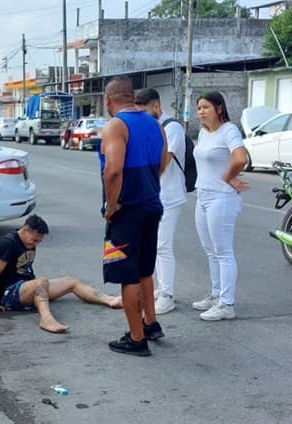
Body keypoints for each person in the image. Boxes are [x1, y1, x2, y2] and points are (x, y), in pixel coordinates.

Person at [102, 77, 169, 356]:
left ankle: (136, 337)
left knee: (126, 275)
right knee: (144, 269)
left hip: (127, 210)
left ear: (109, 101)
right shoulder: (155, 123)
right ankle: (151, 323)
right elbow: (165, 158)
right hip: (152, 205)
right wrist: (149, 183)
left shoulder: (116, 126)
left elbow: (113, 170)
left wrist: (112, 205)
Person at [0, 214, 123, 333]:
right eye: (35, 240)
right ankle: (46, 320)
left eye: (39, 241)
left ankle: (110, 300)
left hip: (27, 287)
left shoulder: (28, 241)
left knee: (72, 281)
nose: (37, 244)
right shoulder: (8, 243)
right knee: (41, 281)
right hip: (10, 293)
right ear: (26, 230)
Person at [192, 91, 249, 321]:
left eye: (205, 107)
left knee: (223, 252)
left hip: (222, 197)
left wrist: (227, 176)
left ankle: (227, 304)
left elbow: (240, 158)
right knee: (210, 251)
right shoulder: (204, 133)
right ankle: (216, 295)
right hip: (203, 195)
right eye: (198, 108)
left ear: (219, 108)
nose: (201, 112)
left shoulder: (229, 130)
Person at [134, 88, 187, 315]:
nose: (142, 116)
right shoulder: (150, 128)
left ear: (156, 106)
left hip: (170, 195)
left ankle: (167, 295)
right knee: (154, 245)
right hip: (154, 196)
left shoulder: (172, 127)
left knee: (163, 246)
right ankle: (160, 288)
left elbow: (163, 162)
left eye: (144, 111)